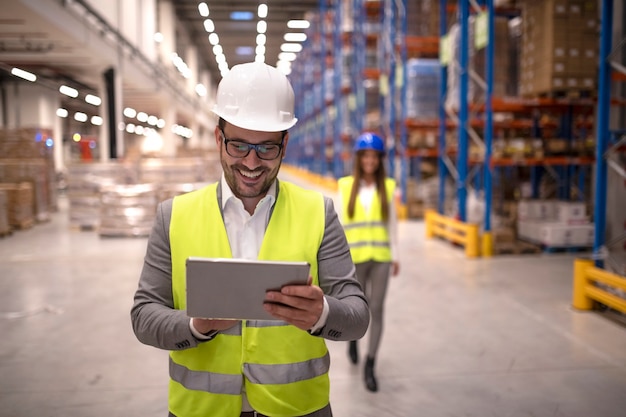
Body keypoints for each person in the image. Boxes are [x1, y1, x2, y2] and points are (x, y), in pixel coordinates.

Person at [130, 62, 370, 417]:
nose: (252, 162)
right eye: (239, 146)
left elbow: (358, 316)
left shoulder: (318, 212)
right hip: (202, 410)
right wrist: (197, 326)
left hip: (297, 409)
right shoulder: (174, 216)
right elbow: (144, 316)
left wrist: (322, 313)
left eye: (267, 148)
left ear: (285, 143)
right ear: (218, 138)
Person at [337, 132, 400, 393]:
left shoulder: (388, 186)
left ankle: (370, 363)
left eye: (375, 156)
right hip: (354, 258)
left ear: (380, 160)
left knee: (377, 307)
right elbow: (338, 225)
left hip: (381, 257)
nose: (370, 161)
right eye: (366, 156)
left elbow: (393, 224)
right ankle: (353, 341)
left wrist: (396, 255)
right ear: (359, 158)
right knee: (357, 308)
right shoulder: (344, 186)